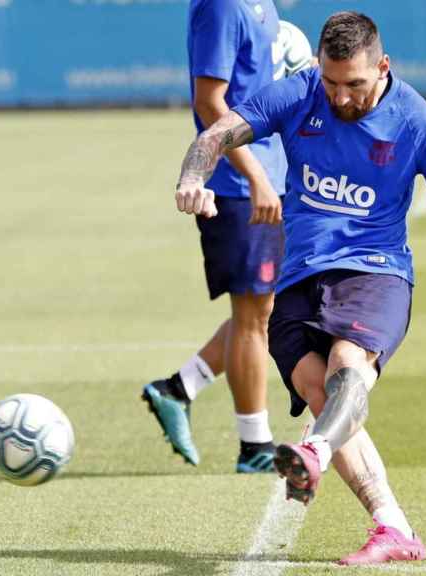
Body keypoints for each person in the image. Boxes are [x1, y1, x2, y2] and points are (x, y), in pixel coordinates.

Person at [172, 11, 426, 566]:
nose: (340, 97)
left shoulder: (417, 121)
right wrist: (193, 176)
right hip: (301, 274)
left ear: (382, 67)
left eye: (354, 84)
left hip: (375, 270)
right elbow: (217, 132)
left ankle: (313, 450)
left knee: (347, 367)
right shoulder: (302, 93)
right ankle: (393, 526)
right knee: (315, 387)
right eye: (331, 82)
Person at [142, 0, 288, 473]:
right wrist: (254, 177)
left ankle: (178, 389)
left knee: (264, 310)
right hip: (236, 184)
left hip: (268, 174)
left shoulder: (259, 3)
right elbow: (210, 103)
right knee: (252, 316)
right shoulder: (222, 5)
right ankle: (254, 447)